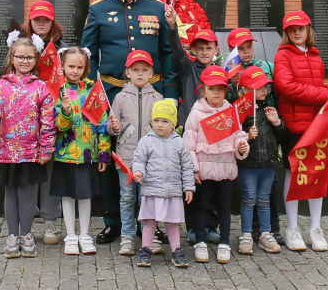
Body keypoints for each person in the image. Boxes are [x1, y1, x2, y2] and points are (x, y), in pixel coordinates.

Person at [80, 0, 178, 244]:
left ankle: (150, 222)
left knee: (155, 158)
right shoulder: (98, 10)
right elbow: (89, 57)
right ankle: (114, 221)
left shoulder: (157, 8)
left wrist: (171, 95)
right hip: (112, 94)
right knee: (114, 158)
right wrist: (92, 95)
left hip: (153, 93)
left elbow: (167, 52)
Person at [0, 37, 56, 259]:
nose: (24, 61)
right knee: (10, 195)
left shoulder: (41, 88)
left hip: (31, 153)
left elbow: (48, 122)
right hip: (6, 152)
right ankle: (13, 236)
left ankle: (27, 235)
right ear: (12, 58)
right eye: (20, 56)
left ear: (35, 59)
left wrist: (46, 150)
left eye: (29, 57)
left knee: (28, 194)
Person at [273, 10, 328, 253]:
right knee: (294, 175)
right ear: (287, 33)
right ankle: (292, 228)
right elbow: (286, 87)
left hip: (317, 125)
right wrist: (324, 94)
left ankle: (316, 228)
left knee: (315, 174)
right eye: (291, 29)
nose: (296, 32)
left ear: (308, 29)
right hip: (294, 127)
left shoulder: (317, 57)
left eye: (300, 28)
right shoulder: (283, 56)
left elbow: (316, 88)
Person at [183, 65, 249, 264]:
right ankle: (200, 243)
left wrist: (241, 146)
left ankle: (224, 244)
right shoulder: (195, 114)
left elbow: (237, 136)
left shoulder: (231, 111)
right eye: (212, 89)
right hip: (204, 170)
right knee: (201, 206)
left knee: (224, 207)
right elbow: (189, 146)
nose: (216, 93)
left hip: (226, 169)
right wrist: (194, 169)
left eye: (220, 89)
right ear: (203, 90)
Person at [50, 46, 111, 256]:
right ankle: (70, 235)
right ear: (63, 66)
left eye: (79, 66)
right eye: (71, 66)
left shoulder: (94, 89)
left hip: (87, 154)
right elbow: (58, 125)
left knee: (85, 195)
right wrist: (66, 113)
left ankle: (85, 234)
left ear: (86, 68)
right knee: (67, 195)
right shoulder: (58, 90)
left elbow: (102, 122)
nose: (75, 70)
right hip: (65, 154)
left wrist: (104, 152)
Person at [15, 0, 65, 246]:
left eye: (46, 19)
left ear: (52, 21)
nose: (41, 23)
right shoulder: (19, 46)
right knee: (28, 171)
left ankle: (49, 219)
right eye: (37, 19)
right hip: (24, 121)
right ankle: (25, 222)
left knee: (48, 171)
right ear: (30, 21)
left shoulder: (63, 49)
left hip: (53, 117)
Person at [224, 28, 281, 240]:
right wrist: (238, 89)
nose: (246, 52)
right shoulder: (230, 73)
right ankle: (251, 230)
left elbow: (275, 93)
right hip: (246, 131)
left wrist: (276, 121)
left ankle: (270, 229)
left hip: (268, 124)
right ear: (232, 51)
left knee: (267, 191)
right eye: (240, 49)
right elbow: (229, 103)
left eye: (249, 47)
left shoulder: (266, 66)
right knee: (249, 194)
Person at [167, 28, 221, 243]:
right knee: (191, 180)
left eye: (209, 48)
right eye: (200, 48)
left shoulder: (220, 74)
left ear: (216, 50)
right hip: (191, 135)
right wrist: (172, 27)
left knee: (213, 181)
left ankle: (211, 225)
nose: (205, 52)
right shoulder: (189, 69)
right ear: (194, 51)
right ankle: (192, 226)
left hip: (215, 134)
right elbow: (176, 52)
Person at [107, 49, 162, 256]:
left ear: (151, 73)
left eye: (144, 70)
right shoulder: (120, 98)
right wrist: (113, 125)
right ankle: (128, 236)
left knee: (148, 197)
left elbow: (164, 127)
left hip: (151, 159)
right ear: (127, 72)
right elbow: (113, 128)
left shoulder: (159, 98)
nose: (140, 73)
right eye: (135, 69)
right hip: (126, 158)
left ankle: (150, 235)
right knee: (128, 197)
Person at [131, 99, 194, 269]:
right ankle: (145, 249)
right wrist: (138, 172)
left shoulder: (179, 142)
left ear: (173, 124)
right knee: (150, 222)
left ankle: (176, 250)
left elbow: (187, 166)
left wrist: (188, 187)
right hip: (152, 189)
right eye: (156, 121)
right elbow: (139, 160)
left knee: (172, 222)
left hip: (172, 191)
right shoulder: (146, 141)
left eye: (165, 121)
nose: (159, 125)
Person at [236, 66, 286, 255]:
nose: (264, 90)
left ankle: (266, 233)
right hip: (248, 164)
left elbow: (282, 136)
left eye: (266, 86)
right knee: (248, 200)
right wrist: (247, 137)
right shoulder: (241, 112)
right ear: (246, 90)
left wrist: (277, 122)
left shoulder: (270, 110)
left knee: (264, 200)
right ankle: (246, 234)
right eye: (259, 87)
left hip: (268, 164)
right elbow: (233, 137)